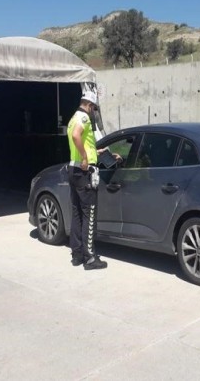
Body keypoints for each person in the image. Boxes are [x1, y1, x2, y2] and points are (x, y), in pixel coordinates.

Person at [67, 90, 107, 270]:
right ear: (89, 106)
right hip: (85, 172)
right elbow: (77, 135)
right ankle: (90, 258)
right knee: (89, 215)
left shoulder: (73, 118)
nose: (93, 112)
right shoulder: (83, 118)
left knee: (76, 213)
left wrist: (94, 152)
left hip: (73, 170)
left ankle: (77, 255)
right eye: (93, 108)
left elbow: (80, 139)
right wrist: (85, 157)